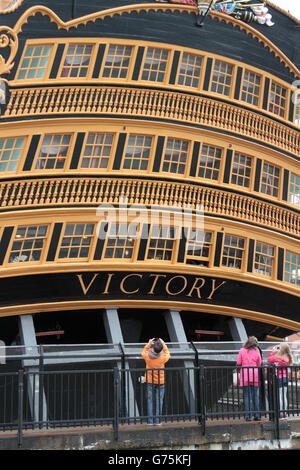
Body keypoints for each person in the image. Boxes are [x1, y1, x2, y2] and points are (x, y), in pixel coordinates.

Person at [141, 338, 170, 425]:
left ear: (153, 348)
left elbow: (143, 352)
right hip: (160, 382)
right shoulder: (163, 358)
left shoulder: (147, 357)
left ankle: (150, 421)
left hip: (150, 381)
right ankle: (157, 421)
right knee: (159, 401)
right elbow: (168, 353)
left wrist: (149, 343)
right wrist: (164, 344)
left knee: (150, 400)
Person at [236, 336, 262, 421]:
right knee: (255, 396)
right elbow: (259, 363)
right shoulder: (257, 351)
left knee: (247, 396)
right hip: (254, 374)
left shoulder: (242, 350)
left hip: (245, 374)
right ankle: (257, 415)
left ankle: (248, 416)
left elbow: (238, 362)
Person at [267, 343, 293, 419]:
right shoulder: (288, 357)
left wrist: (273, 351)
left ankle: (281, 414)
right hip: (285, 378)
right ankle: (285, 414)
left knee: (280, 396)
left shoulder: (278, 357)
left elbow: (269, 360)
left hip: (279, 378)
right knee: (284, 396)